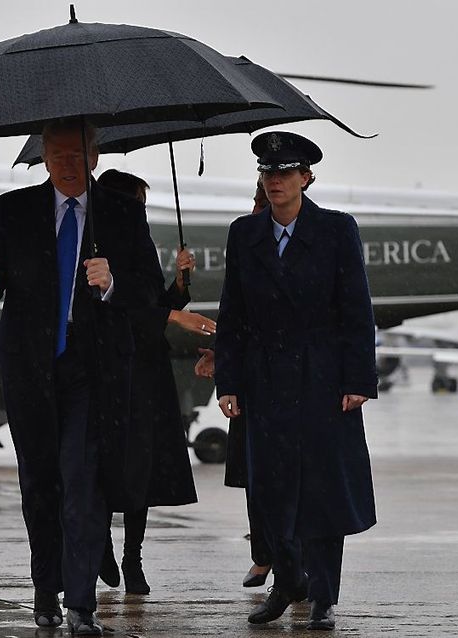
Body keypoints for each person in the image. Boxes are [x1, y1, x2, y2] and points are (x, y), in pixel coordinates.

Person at [0, 120, 163, 635]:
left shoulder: (122, 214)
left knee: (82, 482)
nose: (66, 162)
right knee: (40, 484)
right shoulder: (14, 209)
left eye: (76, 153)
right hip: (30, 369)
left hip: (92, 372)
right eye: (56, 153)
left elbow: (151, 295)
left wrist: (112, 285)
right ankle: (45, 589)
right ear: (43, 157)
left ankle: (81, 604)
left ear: (94, 157)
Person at [213, 131, 378, 631]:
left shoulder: (335, 230)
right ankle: (288, 581)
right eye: (268, 172)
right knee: (269, 491)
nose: (276, 180)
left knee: (323, 492)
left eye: (286, 172)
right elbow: (233, 312)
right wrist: (229, 381)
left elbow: (356, 308)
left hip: (322, 380)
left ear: (307, 177)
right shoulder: (245, 234)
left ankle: (323, 595)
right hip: (265, 381)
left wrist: (358, 379)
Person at [94, 169, 211, 595]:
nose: (141, 212)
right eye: (137, 203)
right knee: (108, 463)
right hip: (109, 370)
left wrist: (179, 285)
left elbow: (150, 304)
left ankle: (133, 556)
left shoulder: (140, 247)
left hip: (145, 370)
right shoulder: (95, 249)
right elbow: (114, 311)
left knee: (141, 466)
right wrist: (170, 314)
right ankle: (103, 544)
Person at [196, 178, 274, 589]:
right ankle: (263, 554)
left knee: (296, 476)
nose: (259, 210)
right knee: (255, 475)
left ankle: (294, 561)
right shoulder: (244, 239)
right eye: (258, 200)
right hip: (251, 381)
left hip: (296, 378)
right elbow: (233, 315)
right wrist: (223, 364)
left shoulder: (313, 237)